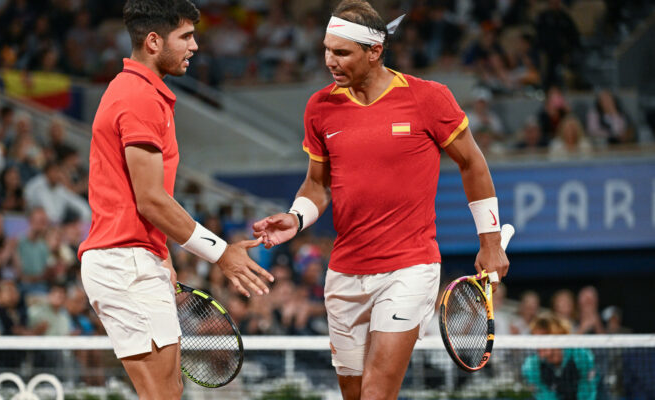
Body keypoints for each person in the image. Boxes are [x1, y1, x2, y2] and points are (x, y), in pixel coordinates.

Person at [252, 1, 509, 398]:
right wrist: (296, 217)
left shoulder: (429, 98)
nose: (329, 61)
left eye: (341, 52)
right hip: (344, 273)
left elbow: (473, 164)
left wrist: (489, 243)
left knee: (376, 392)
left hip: (409, 268)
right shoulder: (319, 107)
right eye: (326, 49)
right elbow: (317, 186)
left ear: (374, 52)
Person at [77, 1, 274, 399]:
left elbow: (139, 198)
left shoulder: (138, 91)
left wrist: (161, 251)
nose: (195, 46)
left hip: (134, 257)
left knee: (169, 390)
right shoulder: (138, 97)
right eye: (185, 36)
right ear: (153, 41)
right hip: (123, 262)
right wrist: (221, 254)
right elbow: (149, 199)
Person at [521, 313, 597, 400]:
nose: (538, 344)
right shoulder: (531, 365)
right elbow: (543, 395)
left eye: (542, 339)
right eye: (535, 338)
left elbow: (588, 390)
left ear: (555, 336)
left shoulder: (581, 355)